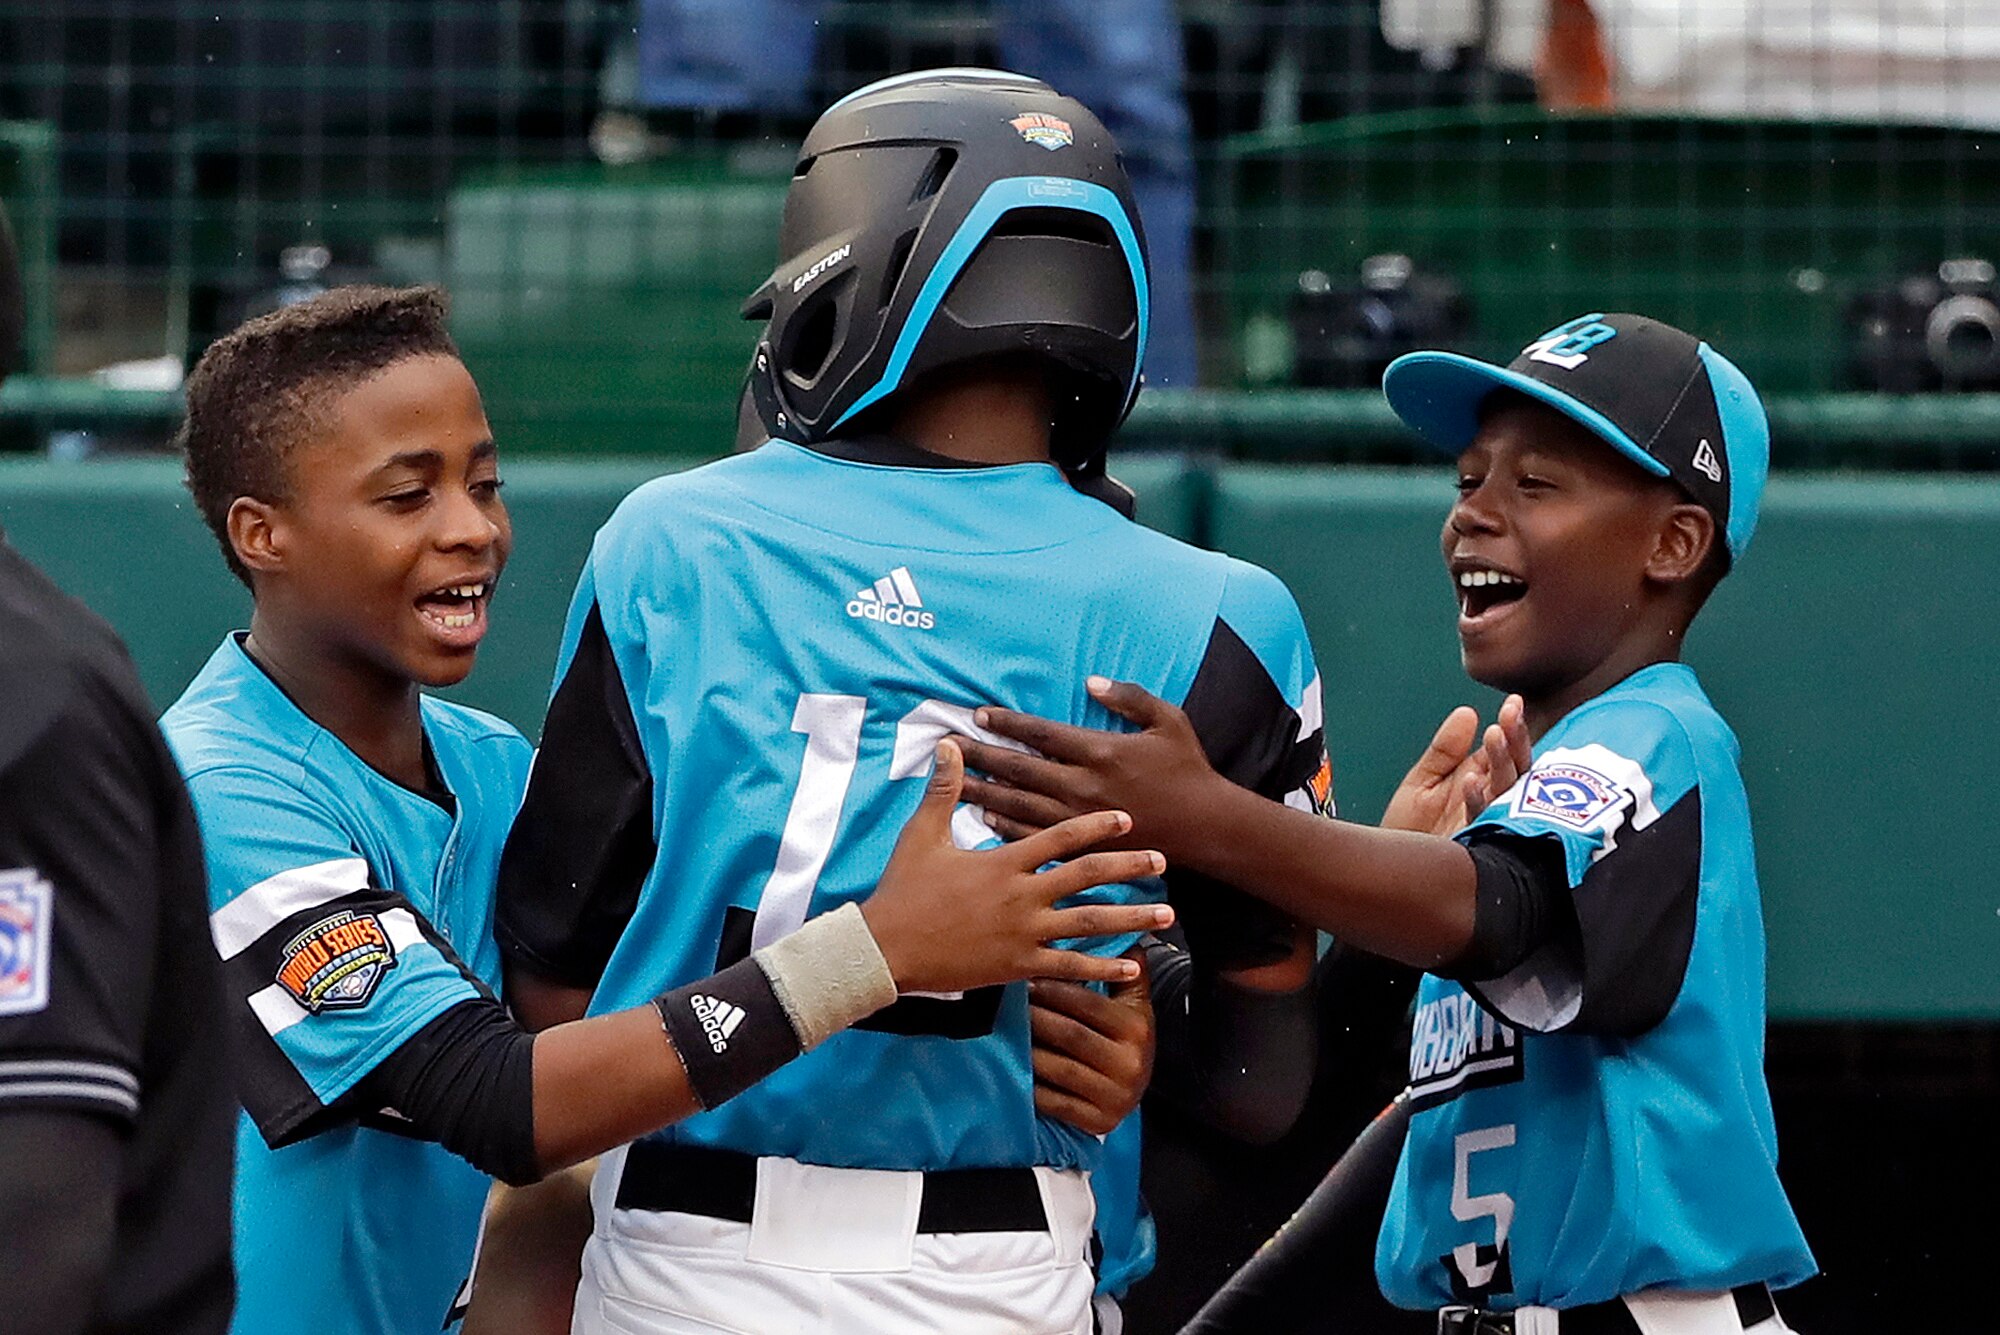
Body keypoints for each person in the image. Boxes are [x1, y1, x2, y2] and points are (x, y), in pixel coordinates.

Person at [160, 283, 1170, 1335]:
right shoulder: (219, 789)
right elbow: (498, 1101)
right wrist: (876, 951)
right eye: (409, 496)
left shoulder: (489, 765)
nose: (473, 529)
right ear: (263, 534)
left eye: (485, 483)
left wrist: (1094, 1014)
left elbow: (705, 963)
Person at [495, 68, 1326, 1335]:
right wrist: (1138, 989)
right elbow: (1257, 1087)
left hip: (685, 1258)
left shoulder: (675, 541)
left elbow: (553, 993)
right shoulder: (1221, 612)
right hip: (1005, 1274)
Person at [959, 312, 1817, 1330]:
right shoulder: (1515, 800)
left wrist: (1204, 815)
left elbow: (1501, 907)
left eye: (1534, 484)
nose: (1472, 514)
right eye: (1467, 480)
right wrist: (1384, 909)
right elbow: (1333, 1099)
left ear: (1671, 543)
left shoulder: (1659, 732)